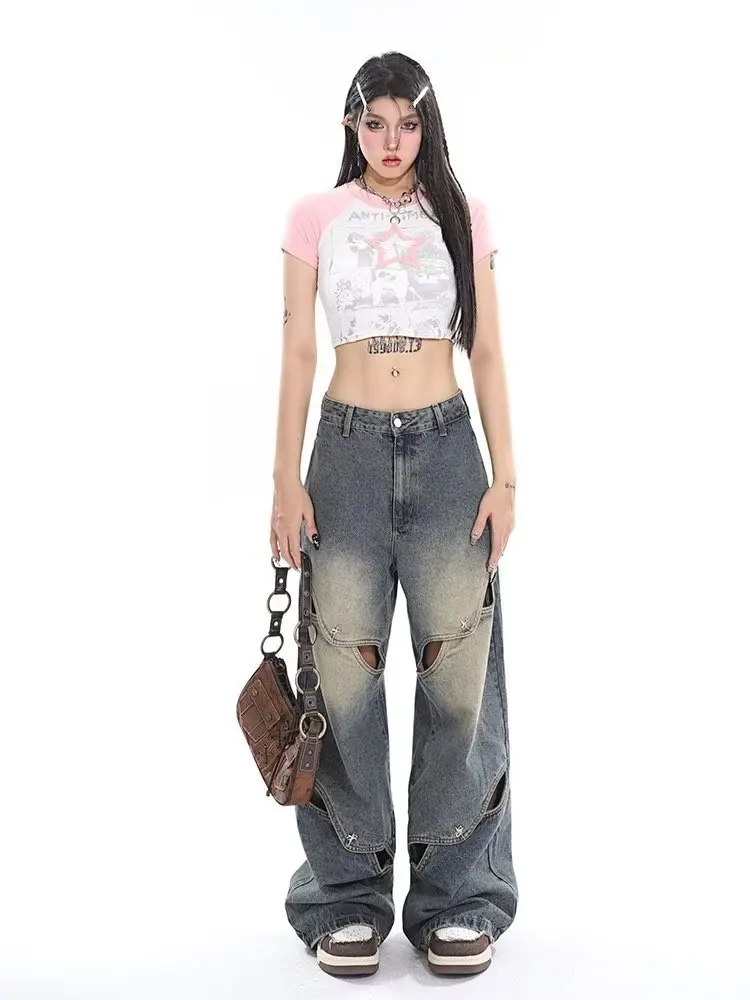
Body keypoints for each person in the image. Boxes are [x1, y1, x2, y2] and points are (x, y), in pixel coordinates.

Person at [270, 51, 518, 978]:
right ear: (351, 126)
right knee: (342, 681)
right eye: (374, 123)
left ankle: (458, 897)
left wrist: (506, 479)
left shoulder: (463, 214)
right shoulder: (315, 217)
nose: (390, 140)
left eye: (407, 123)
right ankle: (345, 899)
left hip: (449, 453)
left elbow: (486, 350)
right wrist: (283, 478)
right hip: (343, 453)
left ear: (427, 126)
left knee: (459, 682)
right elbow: (299, 351)